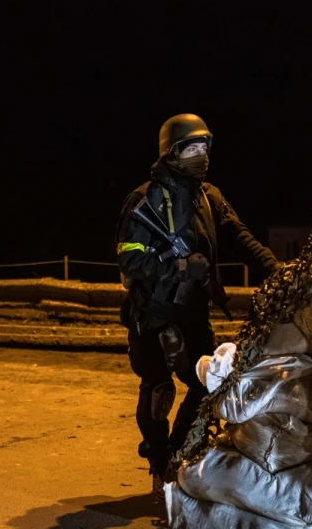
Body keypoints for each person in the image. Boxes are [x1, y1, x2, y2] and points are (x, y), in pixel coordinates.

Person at [115, 113, 280, 499]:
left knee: (208, 385)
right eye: (193, 148)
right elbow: (128, 257)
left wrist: (275, 269)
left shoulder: (210, 197)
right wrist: (178, 267)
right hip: (153, 313)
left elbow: (240, 237)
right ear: (172, 152)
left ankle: (178, 453)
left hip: (193, 312)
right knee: (158, 390)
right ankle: (158, 460)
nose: (202, 155)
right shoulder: (144, 200)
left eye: (206, 147)